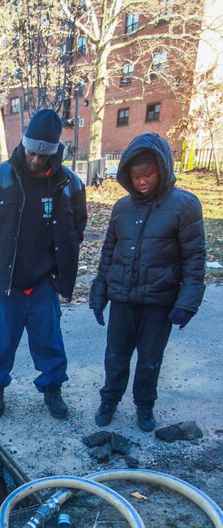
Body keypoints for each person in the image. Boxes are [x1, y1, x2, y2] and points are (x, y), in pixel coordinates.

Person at [0, 108, 87, 419]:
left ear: (54, 153)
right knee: (0, 341)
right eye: (32, 151)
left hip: (43, 281)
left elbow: (78, 226)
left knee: (49, 342)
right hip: (6, 281)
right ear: (24, 144)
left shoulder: (69, 184)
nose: (36, 159)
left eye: (43, 154)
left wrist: (61, 267)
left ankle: (52, 390)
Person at [89, 133, 206, 432]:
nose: (142, 181)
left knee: (150, 360)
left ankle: (144, 407)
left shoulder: (185, 205)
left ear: (162, 169)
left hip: (158, 301)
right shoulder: (122, 208)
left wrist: (187, 302)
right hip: (123, 299)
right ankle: (110, 400)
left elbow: (194, 259)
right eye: (136, 175)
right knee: (115, 356)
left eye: (148, 174)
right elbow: (108, 253)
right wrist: (99, 290)